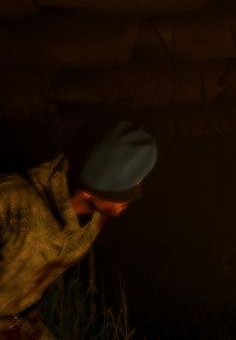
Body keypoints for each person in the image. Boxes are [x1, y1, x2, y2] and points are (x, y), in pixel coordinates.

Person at [1, 120, 158, 339]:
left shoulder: (95, 217)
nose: (128, 199)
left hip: (20, 323)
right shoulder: (15, 199)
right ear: (87, 191)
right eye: (120, 190)